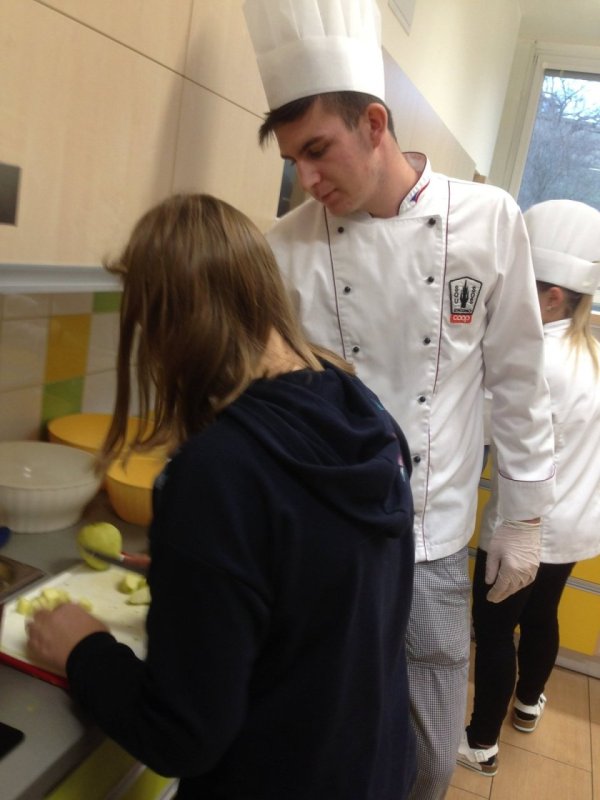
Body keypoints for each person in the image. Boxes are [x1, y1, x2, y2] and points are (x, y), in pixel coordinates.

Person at [242, 1, 556, 797]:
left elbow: (517, 380)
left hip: (432, 539)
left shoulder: (487, 220)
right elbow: (265, 404)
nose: (307, 180)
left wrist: (522, 517)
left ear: (375, 124)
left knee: (424, 751)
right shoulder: (282, 248)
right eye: (294, 159)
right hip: (322, 539)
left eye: (318, 151)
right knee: (318, 734)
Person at [25, 193, 417, 799]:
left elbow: (181, 734)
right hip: (370, 767)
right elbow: (320, 580)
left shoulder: (218, 471)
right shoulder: (359, 408)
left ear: (166, 328)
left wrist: (83, 649)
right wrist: (209, 578)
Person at [458, 199, 600, 776]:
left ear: (553, 297)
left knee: (494, 630)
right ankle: (528, 703)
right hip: (574, 529)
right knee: (542, 616)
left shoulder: (538, 358)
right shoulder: (591, 352)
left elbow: (482, 425)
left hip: (527, 526)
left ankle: (480, 743)